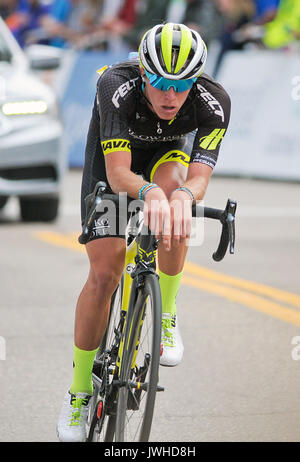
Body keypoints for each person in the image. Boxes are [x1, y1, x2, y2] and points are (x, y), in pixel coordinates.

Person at [57, 22, 231, 442]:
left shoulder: (214, 101)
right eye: (159, 83)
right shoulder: (116, 85)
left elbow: (200, 177)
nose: (171, 96)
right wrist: (147, 191)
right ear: (142, 74)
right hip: (115, 162)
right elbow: (119, 176)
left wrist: (182, 196)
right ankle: (79, 391)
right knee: (105, 273)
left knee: (177, 201)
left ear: (197, 80)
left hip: (167, 157)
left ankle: (166, 312)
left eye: (182, 84)